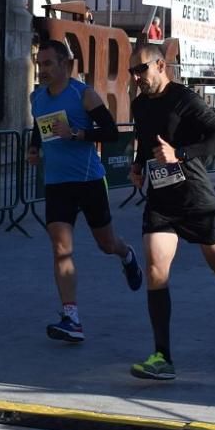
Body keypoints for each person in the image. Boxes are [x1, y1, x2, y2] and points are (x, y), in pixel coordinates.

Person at [127, 44, 215, 380]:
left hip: (195, 197)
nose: (136, 78)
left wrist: (180, 153)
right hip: (161, 199)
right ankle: (162, 356)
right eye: (132, 72)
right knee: (155, 268)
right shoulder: (139, 104)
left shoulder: (184, 99)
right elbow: (146, 140)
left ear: (160, 65)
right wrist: (137, 166)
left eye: (141, 70)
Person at [27, 40, 142, 342]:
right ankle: (71, 317)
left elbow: (112, 131)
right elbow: (39, 128)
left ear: (65, 65)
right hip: (56, 183)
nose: (43, 70)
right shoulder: (37, 97)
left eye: (48, 63)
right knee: (61, 249)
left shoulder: (83, 95)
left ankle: (126, 254)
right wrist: (34, 148)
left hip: (89, 180)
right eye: (39, 64)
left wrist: (78, 134)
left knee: (106, 244)